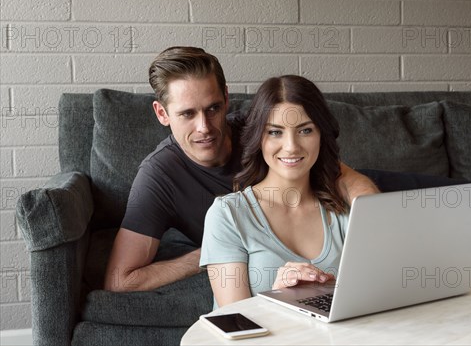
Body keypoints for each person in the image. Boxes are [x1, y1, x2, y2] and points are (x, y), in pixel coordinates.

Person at [104, 48, 378, 292]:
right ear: (162, 113)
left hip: (357, 192)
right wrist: (216, 251)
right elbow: (120, 279)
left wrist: (375, 213)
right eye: (187, 114)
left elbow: (335, 171)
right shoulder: (158, 177)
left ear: (226, 97)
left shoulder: (264, 129)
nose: (204, 127)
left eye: (213, 108)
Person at [200, 75, 349, 307]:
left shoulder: (345, 211)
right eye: (275, 132)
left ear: (322, 135)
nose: (291, 146)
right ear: (259, 138)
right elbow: (234, 321)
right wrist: (279, 296)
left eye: (305, 130)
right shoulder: (228, 214)